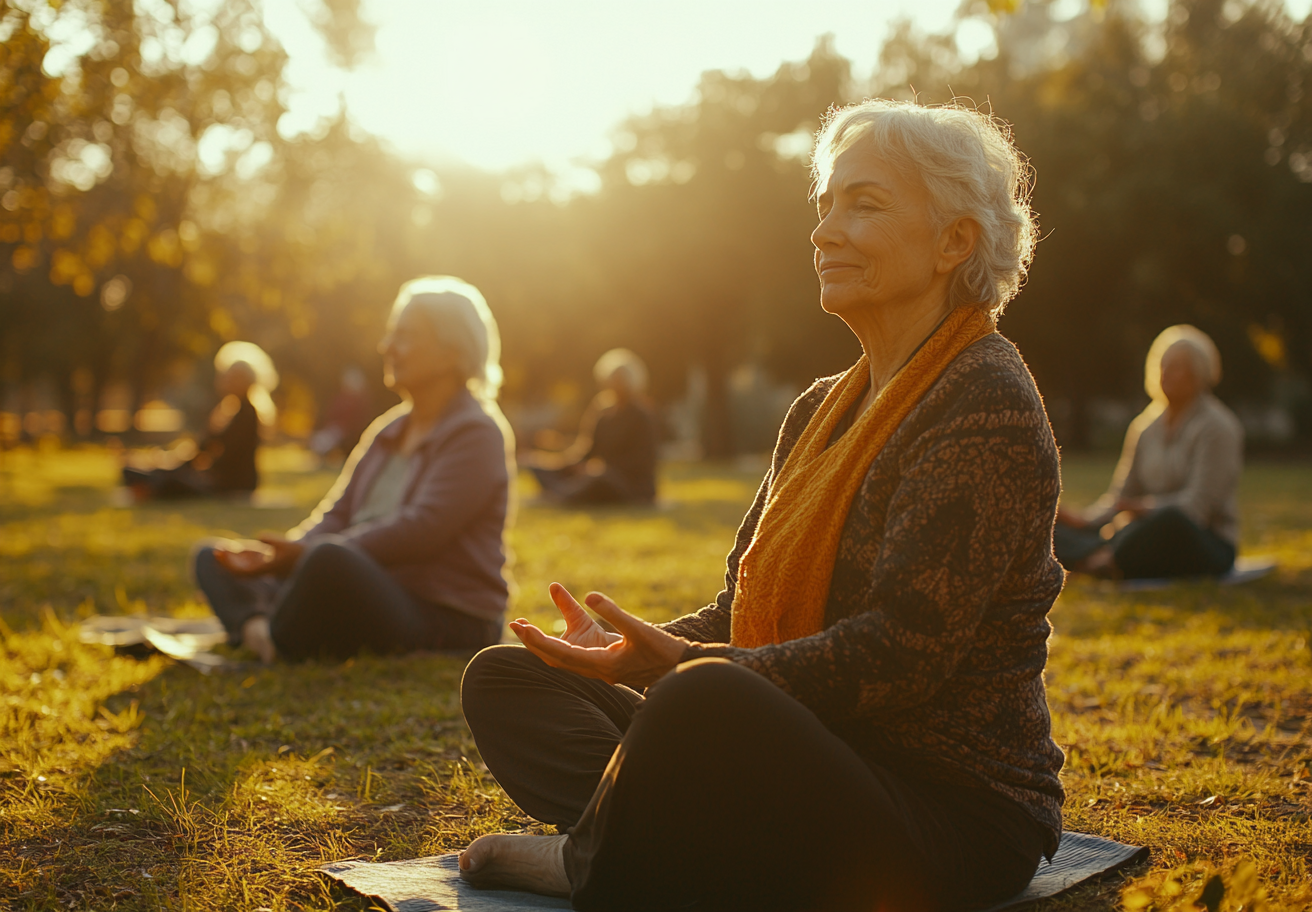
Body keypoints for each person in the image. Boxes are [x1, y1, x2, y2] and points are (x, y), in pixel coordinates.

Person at [456, 99, 1065, 912]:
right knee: (508, 678)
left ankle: (592, 861)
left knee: (701, 699)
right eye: (825, 206)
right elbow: (735, 615)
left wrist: (689, 675)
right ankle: (668, 825)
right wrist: (636, 650)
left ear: (955, 241)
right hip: (799, 757)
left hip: (945, 816)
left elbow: (901, 655)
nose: (824, 232)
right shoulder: (818, 409)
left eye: (864, 204)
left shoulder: (984, 400)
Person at [192, 277, 514, 662]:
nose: (387, 347)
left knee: (328, 560)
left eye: (405, 336)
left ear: (452, 352)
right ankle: (263, 633)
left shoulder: (476, 432)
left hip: (442, 613)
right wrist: (279, 554)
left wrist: (307, 556)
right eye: (390, 334)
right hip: (355, 577)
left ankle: (269, 632)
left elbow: (423, 529)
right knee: (211, 557)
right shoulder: (389, 429)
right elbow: (338, 514)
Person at [1054, 325, 1243, 580]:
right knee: (1052, 525)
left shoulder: (1218, 427)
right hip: (1137, 534)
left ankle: (1100, 557)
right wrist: (1084, 520)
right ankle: (1101, 558)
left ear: (1198, 372)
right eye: (1162, 366)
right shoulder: (1143, 427)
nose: (1166, 374)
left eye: (1176, 367)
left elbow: (1197, 508)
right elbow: (1121, 496)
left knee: (1169, 520)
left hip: (1200, 540)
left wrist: (1146, 509)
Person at [121, 341, 277, 500]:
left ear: (246, 381)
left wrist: (198, 470)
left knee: (169, 481)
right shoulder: (228, 410)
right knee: (149, 473)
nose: (225, 381)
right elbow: (203, 446)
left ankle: (148, 486)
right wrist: (172, 460)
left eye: (232, 377)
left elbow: (229, 456)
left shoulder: (247, 414)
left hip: (232, 483)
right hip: (215, 476)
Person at [526, 348, 659, 505]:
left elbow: (642, 460)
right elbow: (588, 449)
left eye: (620, 381)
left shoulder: (641, 414)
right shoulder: (602, 410)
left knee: (599, 478)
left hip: (628, 482)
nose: (615, 385)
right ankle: (562, 490)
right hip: (594, 473)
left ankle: (561, 495)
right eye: (613, 380)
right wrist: (569, 464)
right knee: (538, 466)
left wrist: (601, 468)